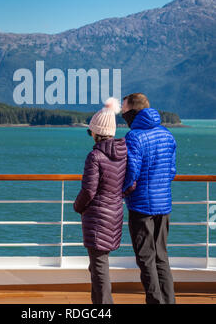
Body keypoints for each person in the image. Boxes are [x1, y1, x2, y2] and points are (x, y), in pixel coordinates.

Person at [121, 92, 177, 304]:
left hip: (141, 207)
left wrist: (123, 192)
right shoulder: (167, 134)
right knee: (161, 256)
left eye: (124, 112)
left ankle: (155, 302)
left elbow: (130, 174)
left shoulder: (134, 137)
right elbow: (171, 171)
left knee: (146, 258)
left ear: (134, 112)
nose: (122, 116)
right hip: (164, 205)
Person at [73, 98, 127, 304]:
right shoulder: (123, 154)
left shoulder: (94, 156)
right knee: (98, 265)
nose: (91, 135)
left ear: (96, 133)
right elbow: (128, 185)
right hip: (115, 214)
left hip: (97, 217)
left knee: (99, 268)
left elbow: (88, 190)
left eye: (90, 132)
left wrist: (77, 207)